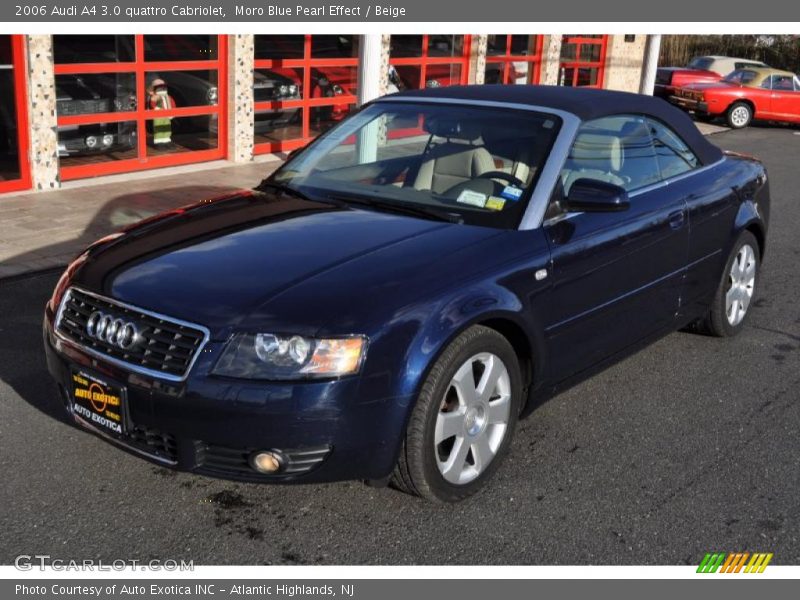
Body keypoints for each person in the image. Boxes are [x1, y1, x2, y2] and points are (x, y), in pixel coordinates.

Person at [147, 78, 176, 146]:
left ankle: (167, 140)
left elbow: (172, 103)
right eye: (160, 88)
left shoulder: (168, 97)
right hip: (158, 116)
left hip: (167, 116)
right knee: (159, 128)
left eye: (164, 87)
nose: (162, 89)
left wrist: (173, 111)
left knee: (167, 127)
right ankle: (159, 142)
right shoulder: (155, 97)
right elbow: (152, 104)